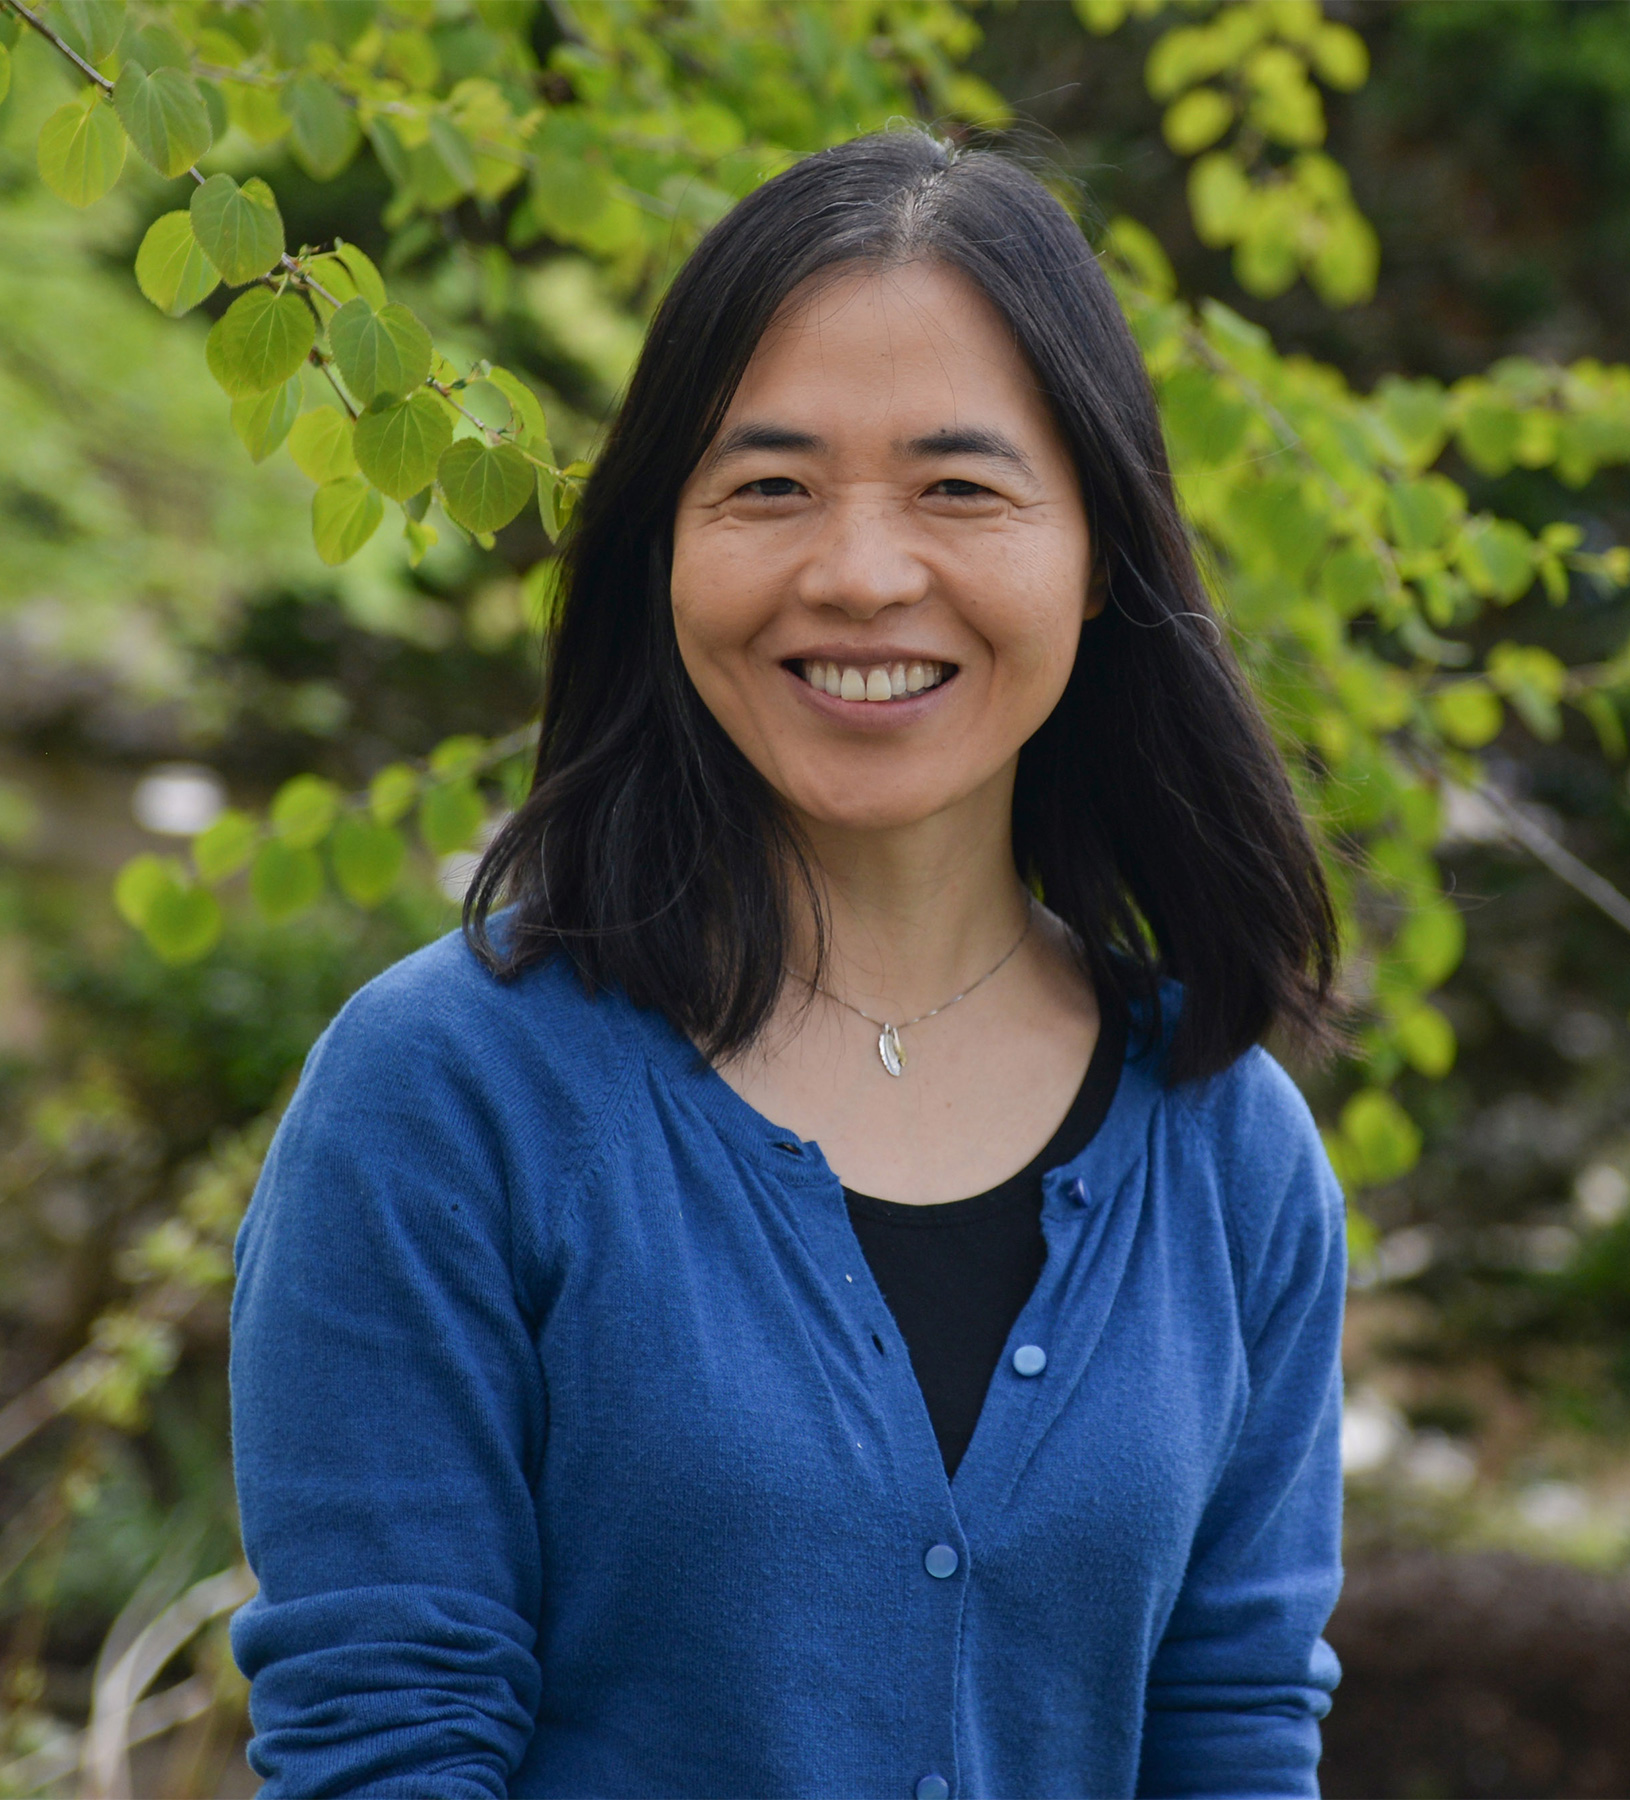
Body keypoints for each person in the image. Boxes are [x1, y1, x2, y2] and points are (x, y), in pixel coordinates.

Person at [229, 128, 1348, 1799]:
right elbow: (385, 1746)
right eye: (769, 487)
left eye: (961, 488)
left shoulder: (1227, 1140)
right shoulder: (447, 1097)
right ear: (659, 548)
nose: (861, 574)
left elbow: (1237, 1732)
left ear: (1101, 552)